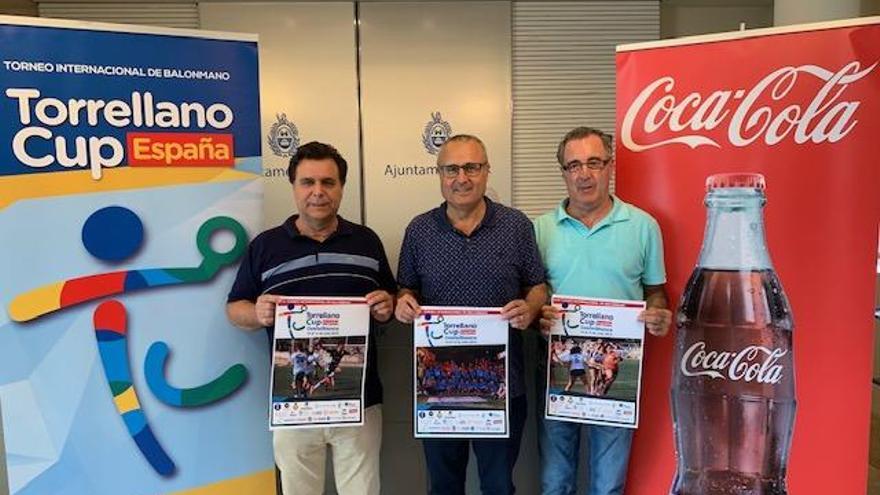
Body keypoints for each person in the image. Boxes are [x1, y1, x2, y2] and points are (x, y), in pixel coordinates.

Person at [225, 141, 396, 495]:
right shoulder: (265, 246)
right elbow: (234, 308)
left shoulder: (366, 241)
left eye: (328, 182)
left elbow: (390, 299)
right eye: (308, 182)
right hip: (293, 404)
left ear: (341, 187)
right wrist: (256, 312)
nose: (318, 192)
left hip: (359, 401)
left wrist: (386, 306)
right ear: (293, 186)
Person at [394, 134, 548, 495]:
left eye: (471, 167)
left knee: (498, 485)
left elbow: (537, 285)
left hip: (502, 386)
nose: (461, 177)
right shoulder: (419, 230)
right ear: (439, 174)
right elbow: (406, 288)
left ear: (486, 171)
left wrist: (531, 307)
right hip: (438, 387)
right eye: (451, 169)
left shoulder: (516, 226)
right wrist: (403, 301)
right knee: (445, 486)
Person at [534, 127, 673, 495]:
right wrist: (539, 319)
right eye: (574, 165)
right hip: (557, 366)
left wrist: (659, 314)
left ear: (610, 166)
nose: (584, 174)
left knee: (608, 484)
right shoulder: (540, 229)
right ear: (563, 172)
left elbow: (656, 293)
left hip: (619, 369)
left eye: (594, 162)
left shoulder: (644, 227)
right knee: (554, 481)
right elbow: (531, 298)